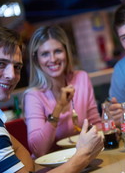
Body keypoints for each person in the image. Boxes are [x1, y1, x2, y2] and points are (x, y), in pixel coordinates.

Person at [0, 25, 103, 173]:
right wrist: (83, 156)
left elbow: (24, 155)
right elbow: (35, 152)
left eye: (17, 67)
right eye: (0, 64)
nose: (11, 75)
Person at [24, 25, 102, 157]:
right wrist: (59, 106)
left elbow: (95, 125)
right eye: (45, 54)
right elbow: (38, 150)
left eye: (58, 51)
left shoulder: (81, 78)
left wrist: (112, 122)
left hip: (83, 158)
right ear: (36, 59)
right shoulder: (33, 96)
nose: (53, 59)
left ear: (66, 52)